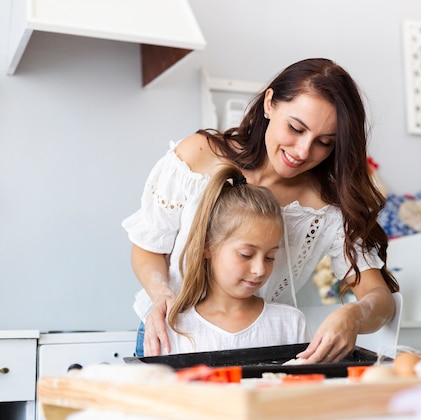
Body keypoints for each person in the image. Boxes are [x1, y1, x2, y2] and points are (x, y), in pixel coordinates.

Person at [122, 57, 399, 362]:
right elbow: (148, 248)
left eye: (324, 142)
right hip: (171, 337)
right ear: (270, 103)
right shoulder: (199, 156)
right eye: (295, 128)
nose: (303, 151)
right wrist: (162, 294)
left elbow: (380, 300)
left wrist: (354, 315)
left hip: (259, 346)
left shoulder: (329, 209)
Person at [164, 164, 309, 354]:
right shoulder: (175, 328)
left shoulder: (290, 323)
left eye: (269, 257)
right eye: (246, 255)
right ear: (207, 246)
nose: (260, 270)